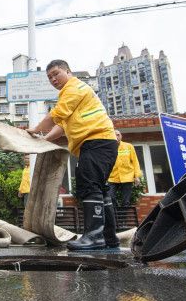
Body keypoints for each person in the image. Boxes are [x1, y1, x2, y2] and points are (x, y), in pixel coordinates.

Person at [27, 60, 118, 251]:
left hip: (96, 141)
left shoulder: (73, 87)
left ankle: (94, 238)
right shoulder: (73, 94)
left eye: (56, 73)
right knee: (99, 188)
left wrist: (36, 129)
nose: (53, 79)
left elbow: (57, 114)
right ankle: (109, 238)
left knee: (89, 185)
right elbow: (61, 126)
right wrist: (45, 140)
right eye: (49, 77)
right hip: (99, 142)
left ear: (68, 71)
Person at [108, 129, 143, 207]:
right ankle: (117, 212)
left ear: (121, 136)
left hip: (127, 176)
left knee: (125, 201)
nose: (116, 136)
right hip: (113, 177)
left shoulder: (129, 146)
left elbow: (135, 162)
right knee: (110, 197)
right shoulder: (108, 148)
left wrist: (137, 176)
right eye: (114, 135)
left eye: (118, 135)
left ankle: (123, 217)